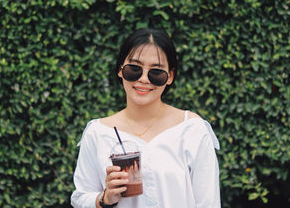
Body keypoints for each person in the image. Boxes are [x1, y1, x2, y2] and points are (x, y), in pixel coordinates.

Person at [71, 28, 221, 208]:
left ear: (170, 76)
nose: (143, 79)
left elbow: (209, 203)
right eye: (134, 69)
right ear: (120, 70)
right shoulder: (98, 133)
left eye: (156, 72)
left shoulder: (190, 130)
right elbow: (80, 198)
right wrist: (105, 198)